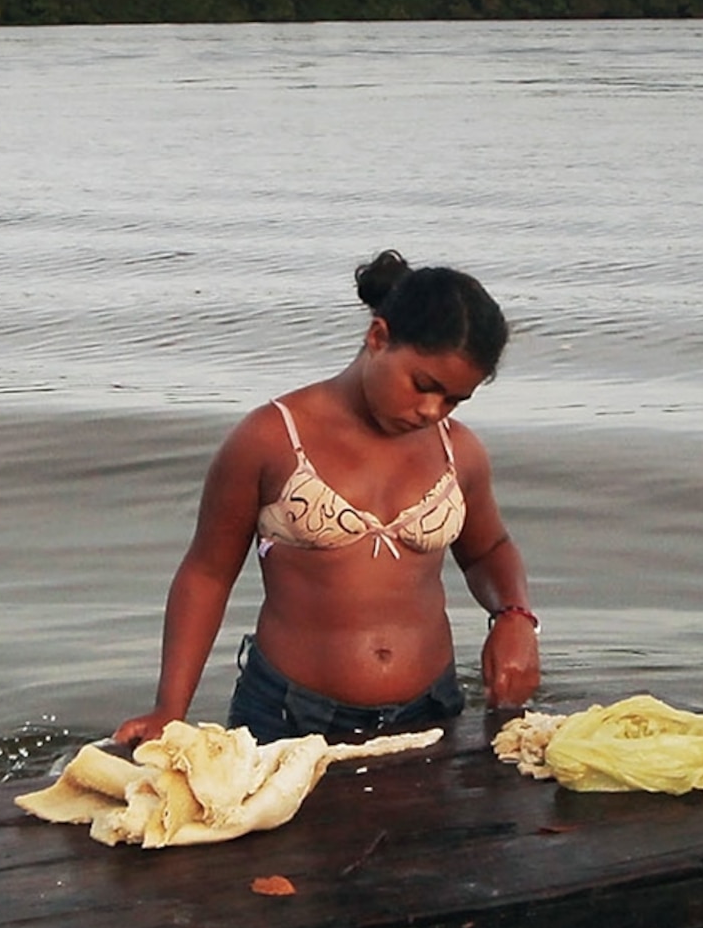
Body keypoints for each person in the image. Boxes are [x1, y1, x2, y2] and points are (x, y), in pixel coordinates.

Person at [113, 250, 537, 748]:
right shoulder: (270, 438)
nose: (431, 410)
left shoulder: (457, 451)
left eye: (452, 400)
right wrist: (171, 709)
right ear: (378, 338)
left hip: (431, 712)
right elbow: (207, 574)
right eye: (424, 386)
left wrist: (514, 615)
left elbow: (489, 550)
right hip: (291, 717)